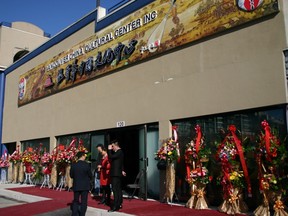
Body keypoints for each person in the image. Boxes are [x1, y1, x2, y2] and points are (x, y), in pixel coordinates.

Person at [70, 151, 92, 216]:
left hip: (76, 185)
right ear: (82, 156)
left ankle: (74, 214)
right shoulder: (86, 165)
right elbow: (90, 175)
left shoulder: (74, 165)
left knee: (76, 201)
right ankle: (82, 214)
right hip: (85, 186)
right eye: (84, 156)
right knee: (84, 202)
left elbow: (71, 175)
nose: (85, 157)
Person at [107, 140, 126, 212]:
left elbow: (111, 157)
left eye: (112, 146)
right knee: (118, 189)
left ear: (116, 145)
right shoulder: (119, 152)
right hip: (117, 173)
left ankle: (115, 206)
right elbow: (120, 163)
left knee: (115, 189)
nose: (112, 148)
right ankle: (119, 203)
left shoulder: (119, 152)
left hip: (115, 174)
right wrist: (122, 170)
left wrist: (109, 150)